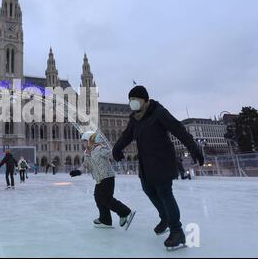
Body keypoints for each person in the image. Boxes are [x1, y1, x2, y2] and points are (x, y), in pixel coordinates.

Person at [112, 86, 204, 250]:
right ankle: (165, 217)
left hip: (162, 160)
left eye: (135, 99)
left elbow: (178, 129)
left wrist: (193, 147)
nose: (132, 103)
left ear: (145, 100)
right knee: (148, 190)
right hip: (145, 163)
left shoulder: (158, 112)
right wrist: (117, 148)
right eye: (130, 100)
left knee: (165, 193)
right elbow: (126, 135)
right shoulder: (135, 118)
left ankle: (177, 230)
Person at [78, 131, 135, 229]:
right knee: (98, 198)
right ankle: (105, 220)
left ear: (90, 140)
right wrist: (78, 171)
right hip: (99, 179)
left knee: (106, 198)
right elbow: (86, 164)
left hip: (107, 177)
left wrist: (117, 154)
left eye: (84, 141)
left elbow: (110, 154)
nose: (83, 143)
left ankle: (125, 212)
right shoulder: (87, 153)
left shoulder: (100, 149)